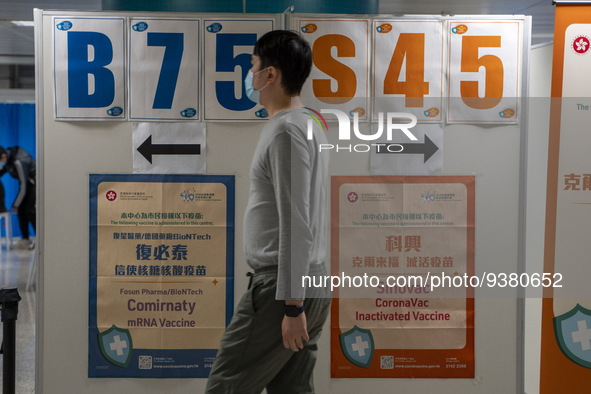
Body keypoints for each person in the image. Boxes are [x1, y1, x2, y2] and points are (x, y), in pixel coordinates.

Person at [205, 30, 330, 394]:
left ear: (270, 75)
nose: (250, 76)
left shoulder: (286, 131)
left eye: (252, 67)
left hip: (284, 287)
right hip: (310, 280)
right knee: (290, 389)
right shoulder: (311, 124)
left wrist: (292, 307)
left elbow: (296, 220)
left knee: (225, 386)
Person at [0, 146, 36, 249]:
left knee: (30, 211)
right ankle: (25, 239)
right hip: (26, 184)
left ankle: (40, 239)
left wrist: (15, 205)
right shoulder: (7, 161)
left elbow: (23, 186)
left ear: (3, 157)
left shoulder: (19, 161)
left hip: (34, 183)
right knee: (21, 210)